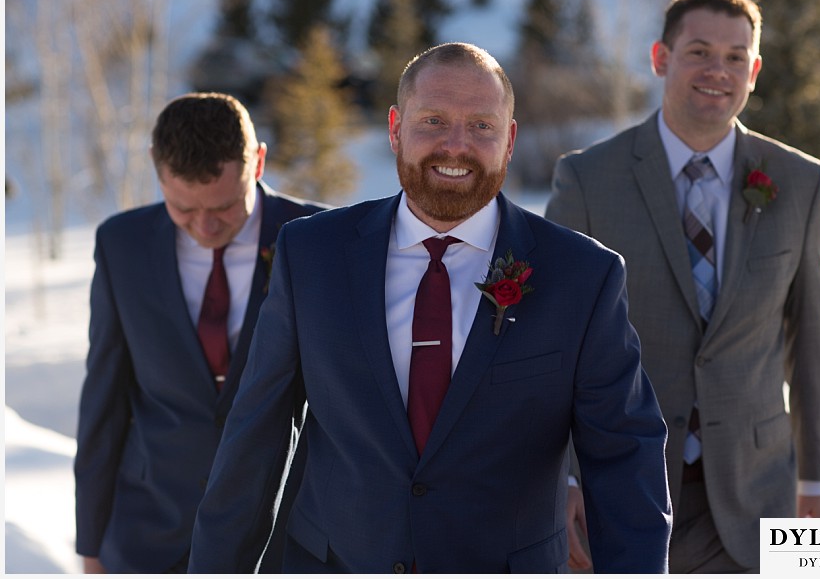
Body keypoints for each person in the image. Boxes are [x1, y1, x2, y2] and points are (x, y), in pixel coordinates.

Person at [187, 42, 672, 573]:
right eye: (434, 120)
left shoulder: (583, 275)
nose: (456, 145)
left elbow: (625, 459)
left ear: (509, 140)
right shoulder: (310, 254)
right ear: (395, 128)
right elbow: (254, 440)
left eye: (482, 126)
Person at [545, 0, 820, 573]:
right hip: (622, 491)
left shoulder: (799, 182)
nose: (718, 71)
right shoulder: (587, 180)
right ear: (661, 58)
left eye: (735, 57)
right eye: (699, 51)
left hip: (759, 499)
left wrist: (817, 485)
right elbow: (554, 346)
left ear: (754, 71)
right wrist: (567, 478)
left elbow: (812, 343)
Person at [74, 92, 328, 573]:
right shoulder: (120, 245)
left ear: (259, 163)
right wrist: (90, 542)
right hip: (148, 530)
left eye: (226, 207)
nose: (205, 226)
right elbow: (103, 398)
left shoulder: (322, 235)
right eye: (183, 209)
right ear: (156, 168)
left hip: (281, 533)